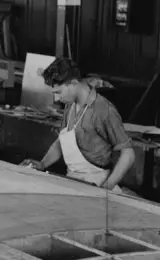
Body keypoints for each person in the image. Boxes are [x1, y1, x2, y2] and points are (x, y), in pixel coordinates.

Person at [22, 57, 135, 192]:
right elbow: (61, 143)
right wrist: (42, 164)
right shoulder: (70, 106)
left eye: (59, 92)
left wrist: (105, 188)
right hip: (71, 182)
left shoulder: (103, 110)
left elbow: (128, 154)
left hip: (97, 184)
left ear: (74, 82)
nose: (57, 98)